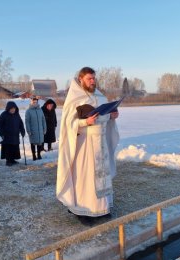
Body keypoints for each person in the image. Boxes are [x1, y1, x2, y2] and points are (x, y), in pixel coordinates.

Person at [56, 67, 119, 218]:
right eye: (89, 79)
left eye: (93, 78)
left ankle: (103, 208)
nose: (92, 81)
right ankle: (84, 211)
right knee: (86, 177)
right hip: (84, 144)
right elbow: (68, 125)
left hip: (101, 143)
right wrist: (85, 122)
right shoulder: (75, 98)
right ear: (80, 79)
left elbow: (105, 117)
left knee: (101, 175)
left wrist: (112, 116)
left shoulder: (101, 97)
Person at [0, 101, 25, 166]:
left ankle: (12, 160)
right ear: (8, 108)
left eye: (14, 108)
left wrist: (22, 131)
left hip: (15, 135)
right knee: (8, 148)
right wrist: (1, 134)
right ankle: (8, 161)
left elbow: (21, 124)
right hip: (6, 135)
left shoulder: (17, 114)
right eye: (11, 108)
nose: (13, 110)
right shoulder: (3, 114)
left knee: (14, 147)